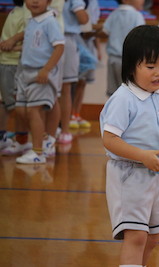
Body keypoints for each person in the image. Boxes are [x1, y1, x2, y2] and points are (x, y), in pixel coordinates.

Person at [100, 25, 159, 267]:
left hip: (156, 175)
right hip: (128, 176)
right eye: (150, 66)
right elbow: (109, 140)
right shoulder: (123, 99)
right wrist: (142, 156)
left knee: (155, 234)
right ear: (131, 67)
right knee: (137, 235)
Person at [14, 0, 65, 164]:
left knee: (34, 111)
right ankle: (42, 139)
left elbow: (59, 47)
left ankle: (38, 152)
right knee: (21, 110)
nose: (35, 1)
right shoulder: (31, 21)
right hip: (25, 72)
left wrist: (46, 69)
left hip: (40, 73)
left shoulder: (50, 21)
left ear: (49, 1)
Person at [0, 0, 30, 153]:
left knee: (8, 103)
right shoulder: (21, 12)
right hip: (11, 63)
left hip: (10, 62)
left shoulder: (20, 12)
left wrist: (10, 45)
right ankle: (21, 140)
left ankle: (11, 139)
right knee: (14, 104)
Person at [58, 0, 89, 144]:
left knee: (64, 87)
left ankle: (63, 129)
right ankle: (60, 130)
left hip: (66, 39)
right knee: (63, 88)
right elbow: (84, 18)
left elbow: (83, 18)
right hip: (64, 39)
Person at [100, 0, 145, 97]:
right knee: (129, 93)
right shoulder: (137, 15)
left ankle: (113, 111)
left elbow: (104, 32)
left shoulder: (113, 14)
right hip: (129, 61)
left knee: (113, 93)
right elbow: (142, 38)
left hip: (112, 59)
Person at [69, 0, 101, 130]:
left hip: (88, 43)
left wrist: (98, 48)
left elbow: (93, 26)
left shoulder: (94, 3)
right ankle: (69, 115)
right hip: (75, 41)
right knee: (72, 82)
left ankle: (76, 113)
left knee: (83, 82)